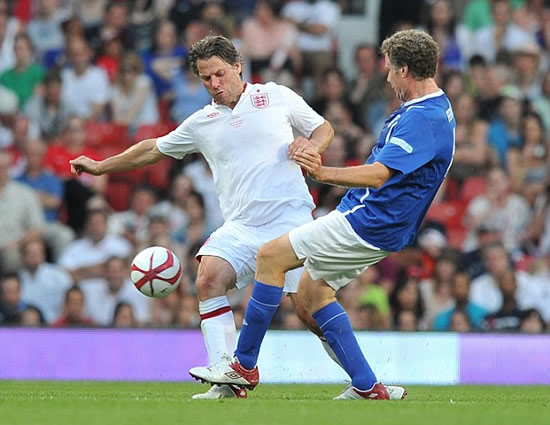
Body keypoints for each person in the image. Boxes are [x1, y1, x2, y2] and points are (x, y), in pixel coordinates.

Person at [189, 29, 454, 401]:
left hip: (370, 220)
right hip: (372, 218)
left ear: (405, 70)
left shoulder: (424, 119)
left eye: (391, 69)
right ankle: (367, 386)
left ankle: (242, 365)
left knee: (270, 256)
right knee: (312, 295)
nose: (388, 76)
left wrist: (322, 172)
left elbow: (380, 175)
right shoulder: (425, 110)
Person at [69, 34, 335, 400]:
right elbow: (152, 149)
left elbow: (323, 128)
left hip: (290, 220)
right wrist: (101, 167)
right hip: (242, 226)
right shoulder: (202, 121)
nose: (214, 84)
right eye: (205, 78)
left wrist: (312, 145)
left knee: (309, 311)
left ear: (238, 66)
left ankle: (363, 379)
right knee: (208, 276)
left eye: (220, 74)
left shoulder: (276, 95)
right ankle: (228, 380)